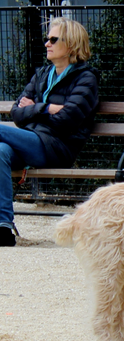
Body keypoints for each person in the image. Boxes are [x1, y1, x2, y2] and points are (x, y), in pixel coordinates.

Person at [1, 17, 100, 246]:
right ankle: (4, 228)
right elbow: (16, 114)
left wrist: (35, 109)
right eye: (48, 39)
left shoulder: (86, 79)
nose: (47, 43)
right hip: (31, 142)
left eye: (53, 39)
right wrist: (47, 108)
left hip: (57, 147)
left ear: (72, 44)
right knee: (0, 150)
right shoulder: (43, 74)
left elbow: (67, 120)